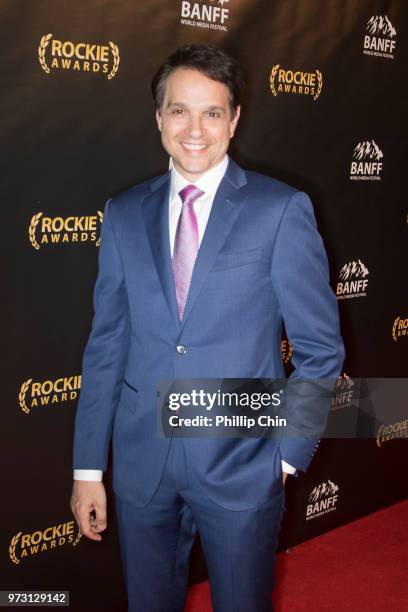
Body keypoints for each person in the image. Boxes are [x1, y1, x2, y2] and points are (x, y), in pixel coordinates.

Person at [71, 44, 344, 611]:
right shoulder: (123, 214)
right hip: (143, 467)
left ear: (234, 119)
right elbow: (106, 349)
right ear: (159, 117)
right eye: (179, 110)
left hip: (242, 467)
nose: (195, 129)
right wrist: (88, 467)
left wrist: (287, 457)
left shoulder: (280, 210)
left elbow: (319, 350)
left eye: (212, 112)